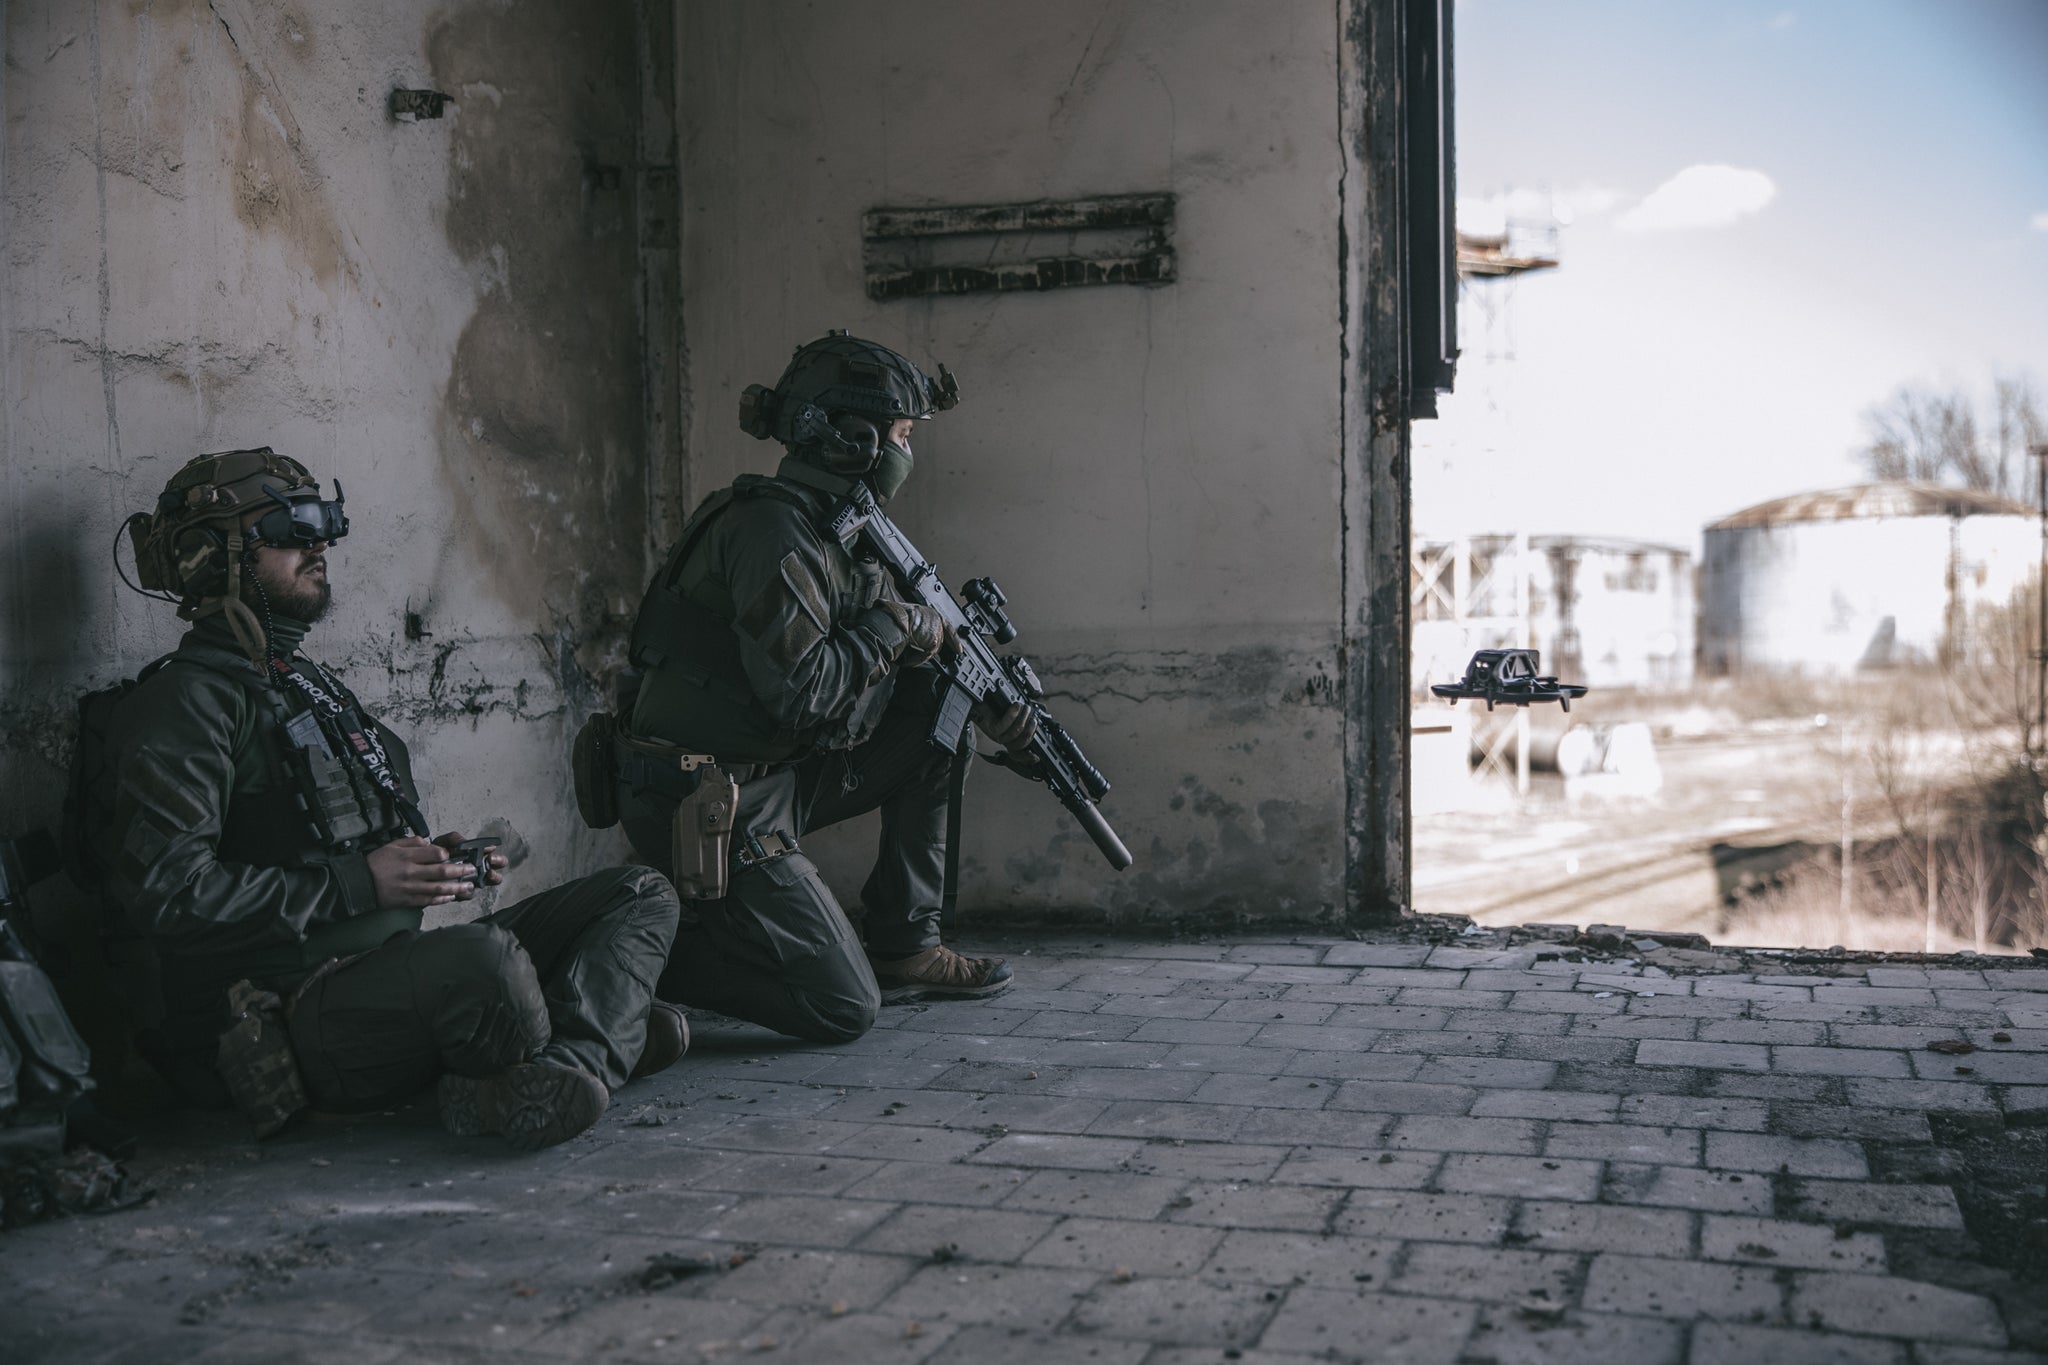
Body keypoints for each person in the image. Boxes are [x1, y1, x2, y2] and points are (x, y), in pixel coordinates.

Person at [91, 447, 684, 1149]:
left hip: (389, 973)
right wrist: (358, 882)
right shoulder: (188, 701)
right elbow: (168, 897)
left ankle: (563, 1066)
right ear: (211, 557)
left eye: (322, 525)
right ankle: (582, 1043)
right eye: (287, 530)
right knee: (488, 965)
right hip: (289, 1009)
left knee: (641, 893)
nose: (318, 545)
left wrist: (438, 862)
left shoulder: (305, 682)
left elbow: (342, 841)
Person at [609, 331, 1029, 1045]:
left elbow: (877, 660)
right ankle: (633, 953)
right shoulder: (774, 533)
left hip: (772, 773)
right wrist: (898, 627)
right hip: (702, 803)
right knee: (842, 1006)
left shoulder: (832, 533)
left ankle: (906, 942)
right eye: (902, 432)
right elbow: (806, 696)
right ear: (856, 439)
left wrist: (989, 701)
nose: (907, 451)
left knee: (937, 713)